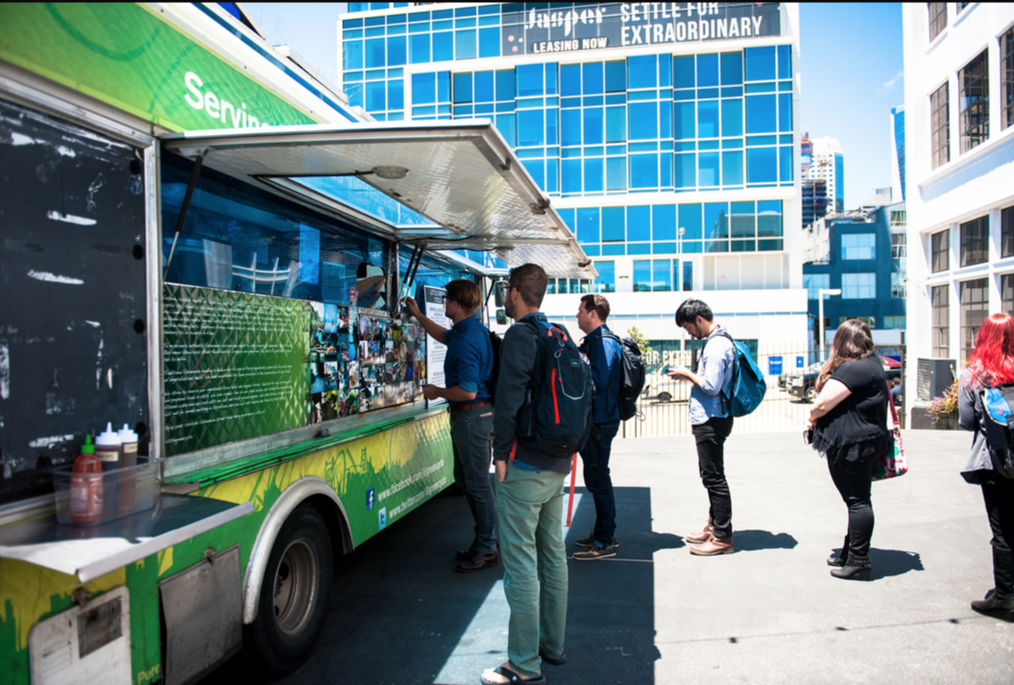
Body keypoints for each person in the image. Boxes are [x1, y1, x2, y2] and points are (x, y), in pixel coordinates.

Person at [482, 264, 568, 685]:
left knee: (520, 566)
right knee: (553, 556)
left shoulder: (520, 334)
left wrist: (499, 455)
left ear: (515, 292)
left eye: (506, 290)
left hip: (524, 465)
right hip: (556, 463)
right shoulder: (559, 334)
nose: (505, 296)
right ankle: (552, 646)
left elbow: (508, 400)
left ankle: (523, 665)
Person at [404, 280, 498, 574]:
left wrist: (436, 392)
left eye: (446, 300)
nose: (444, 304)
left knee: (478, 485)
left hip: (471, 417)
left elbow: (468, 391)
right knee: (468, 481)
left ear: (456, 304)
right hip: (474, 417)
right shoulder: (468, 329)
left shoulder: (466, 339)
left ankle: (488, 547)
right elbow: (442, 335)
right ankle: (483, 541)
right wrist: (418, 315)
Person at [807, 319, 890, 581]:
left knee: (857, 502)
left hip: (853, 445)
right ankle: (850, 553)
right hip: (866, 441)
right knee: (857, 500)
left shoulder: (853, 369)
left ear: (842, 342)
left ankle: (859, 560)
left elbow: (821, 405)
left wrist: (811, 419)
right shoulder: (872, 364)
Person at [668, 299, 738, 556]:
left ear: (699, 319)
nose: (689, 333)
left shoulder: (717, 345)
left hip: (712, 418)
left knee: (714, 477)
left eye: (688, 327)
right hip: (712, 417)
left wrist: (687, 373)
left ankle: (722, 536)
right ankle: (715, 526)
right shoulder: (718, 341)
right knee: (710, 475)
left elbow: (711, 386)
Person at [957, 312, 1014, 615]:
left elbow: (966, 421)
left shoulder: (974, 376)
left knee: (1003, 530)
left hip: (995, 462)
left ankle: (1005, 596)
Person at [573, 293, 623, 560]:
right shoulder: (597, 341)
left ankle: (604, 542)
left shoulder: (603, 343)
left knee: (599, 478)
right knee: (597, 478)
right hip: (598, 419)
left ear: (593, 314)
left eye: (581, 310)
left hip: (601, 421)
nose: (577, 315)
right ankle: (604, 532)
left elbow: (598, 379)